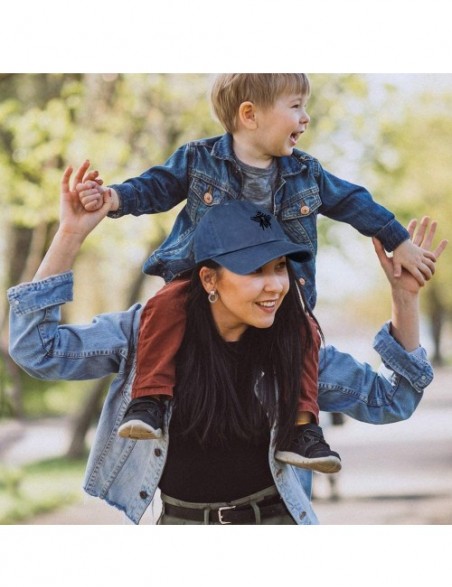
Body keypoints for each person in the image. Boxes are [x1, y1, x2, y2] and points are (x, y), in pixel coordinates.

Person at [7, 163, 446, 525]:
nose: (275, 285)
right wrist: (69, 236)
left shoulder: (294, 347)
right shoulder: (147, 334)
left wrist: (403, 299)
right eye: (255, 270)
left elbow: (394, 399)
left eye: (280, 267)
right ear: (209, 278)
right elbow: (37, 350)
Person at [75, 74, 436, 474]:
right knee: (163, 307)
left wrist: (396, 239)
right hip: (200, 282)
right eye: (295, 106)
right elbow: (157, 186)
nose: (306, 117)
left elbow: (353, 201)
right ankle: (150, 400)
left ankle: (301, 429)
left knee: (304, 333)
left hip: (277, 293)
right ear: (250, 114)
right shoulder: (199, 159)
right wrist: (114, 198)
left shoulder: (307, 174)